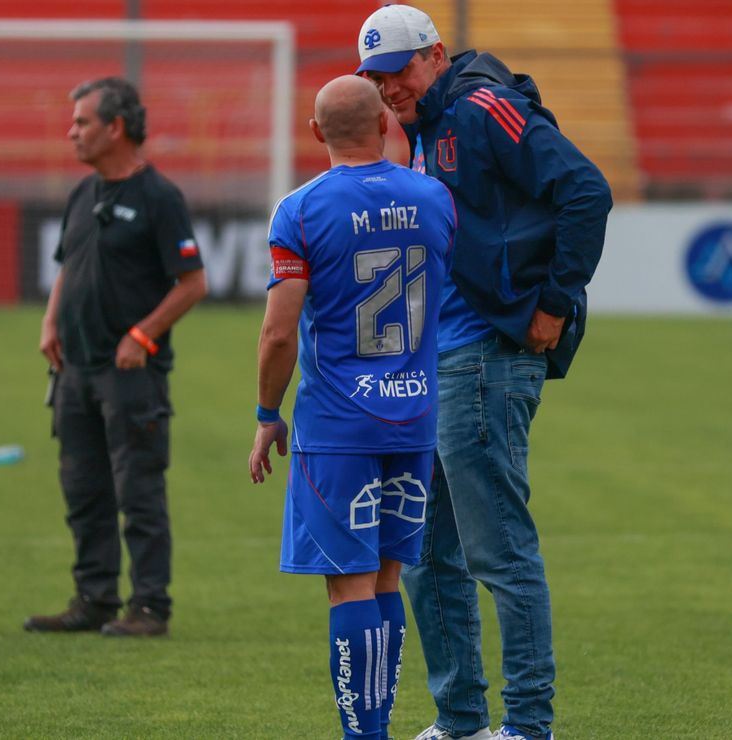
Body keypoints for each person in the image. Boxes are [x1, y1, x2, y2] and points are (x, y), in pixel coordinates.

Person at [355, 6, 613, 740]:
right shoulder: (426, 125)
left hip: (484, 361)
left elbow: (586, 190)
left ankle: (528, 725)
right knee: (423, 556)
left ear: (435, 55)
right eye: (375, 79)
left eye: (399, 70)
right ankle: (461, 719)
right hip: (435, 366)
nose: (389, 88)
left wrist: (554, 305)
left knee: (497, 549)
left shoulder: (479, 107)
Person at [248, 75, 455, 740]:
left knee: (348, 583)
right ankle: (378, 726)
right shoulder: (434, 197)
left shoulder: (301, 211)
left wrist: (267, 414)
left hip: (339, 425)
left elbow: (279, 332)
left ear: (315, 132)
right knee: (387, 577)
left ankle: (364, 736)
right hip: (415, 418)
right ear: (386, 124)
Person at [25, 77, 207, 638]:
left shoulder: (159, 197)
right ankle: (94, 599)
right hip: (74, 370)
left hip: (130, 374)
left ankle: (150, 607)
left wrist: (143, 335)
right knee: (83, 491)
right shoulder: (83, 193)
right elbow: (67, 266)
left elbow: (193, 282)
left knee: (138, 492)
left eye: (82, 122)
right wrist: (51, 321)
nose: (71, 132)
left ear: (116, 128)